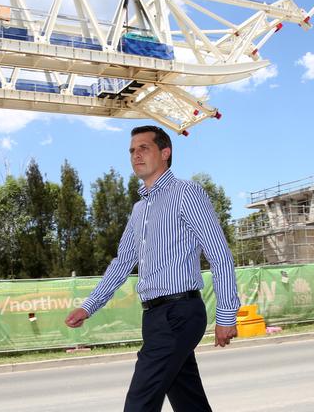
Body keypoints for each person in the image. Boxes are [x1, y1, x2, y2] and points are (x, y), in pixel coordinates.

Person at [65, 125, 240, 412]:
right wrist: (88, 307)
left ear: (165, 152)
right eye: (132, 150)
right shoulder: (139, 210)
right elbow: (122, 262)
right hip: (154, 316)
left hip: (179, 313)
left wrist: (226, 315)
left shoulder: (187, 193)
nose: (136, 155)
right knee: (188, 400)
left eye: (144, 148)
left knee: (139, 403)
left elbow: (219, 253)